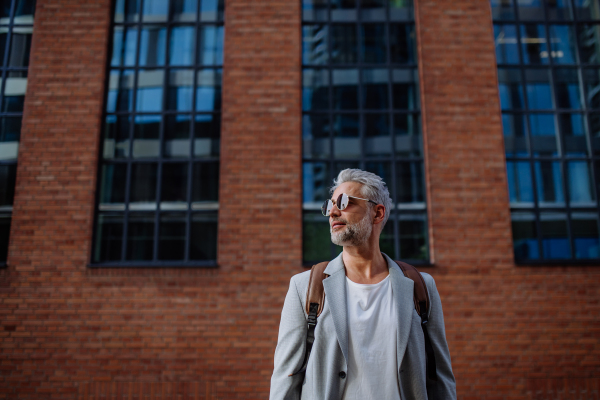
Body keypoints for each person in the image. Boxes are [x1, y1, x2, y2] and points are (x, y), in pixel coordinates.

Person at [270, 169, 456, 400]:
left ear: (377, 213)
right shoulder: (305, 287)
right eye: (329, 205)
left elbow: (440, 376)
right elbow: (286, 378)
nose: (333, 212)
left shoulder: (421, 286)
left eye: (344, 202)